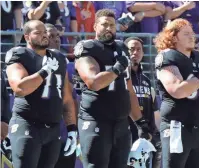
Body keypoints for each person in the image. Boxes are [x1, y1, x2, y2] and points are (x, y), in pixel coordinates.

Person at [73, 9, 151, 168]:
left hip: (121, 124)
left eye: (112, 25)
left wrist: (140, 122)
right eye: (104, 25)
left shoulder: (122, 48)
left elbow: (128, 88)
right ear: (95, 26)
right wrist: (117, 68)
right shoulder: (87, 47)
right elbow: (93, 82)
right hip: (96, 121)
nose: (109, 28)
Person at [5, 20, 77, 168]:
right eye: (38, 33)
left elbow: (67, 98)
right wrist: (44, 71)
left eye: (45, 32)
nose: (44, 36)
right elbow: (20, 88)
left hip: (52, 129)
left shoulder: (58, 58)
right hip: (27, 125)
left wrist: (71, 129)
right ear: (27, 37)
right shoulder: (20, 54)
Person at [153, 18, 199, 168]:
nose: (192, 37)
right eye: (186, 34)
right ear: (173, 37)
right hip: (176, 127)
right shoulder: (167, 56)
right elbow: (177, 90)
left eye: (192, 33)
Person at [42, 23, 78, 168]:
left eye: (57, 36)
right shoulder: (29, 61)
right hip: (39, 134)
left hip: (64, 132)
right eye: (51, 36)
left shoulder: (66, 64)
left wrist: (75, 130)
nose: (56, 40)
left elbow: (73, 99)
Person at [124, 37, 162, 168]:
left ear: (143, 53)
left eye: (138, 49)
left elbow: (154, 109)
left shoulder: (146, 80)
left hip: (144, 136)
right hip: (125, 135)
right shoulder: (120, 77)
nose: (135, 52)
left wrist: (158, 134)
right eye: (131, 49)